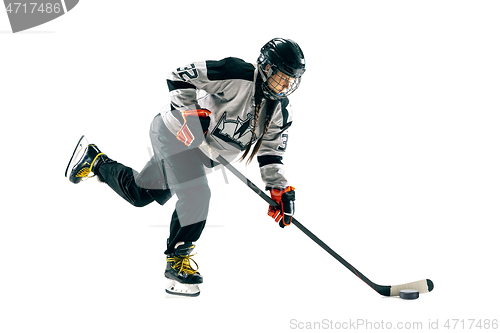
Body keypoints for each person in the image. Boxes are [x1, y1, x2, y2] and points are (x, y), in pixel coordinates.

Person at [64, 38, 306, 297]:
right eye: (283, 77)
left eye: (292, 80)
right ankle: (177, 261)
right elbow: (179, 76)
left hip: (200, 155)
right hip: (173, 134)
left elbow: (271, 152)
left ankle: (96, 161)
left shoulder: (280, 110)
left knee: (139, 194)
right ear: (266, 68)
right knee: (197, 193)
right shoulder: (236, 74)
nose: (286, 85)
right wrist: (190, 114)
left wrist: (278, 188)